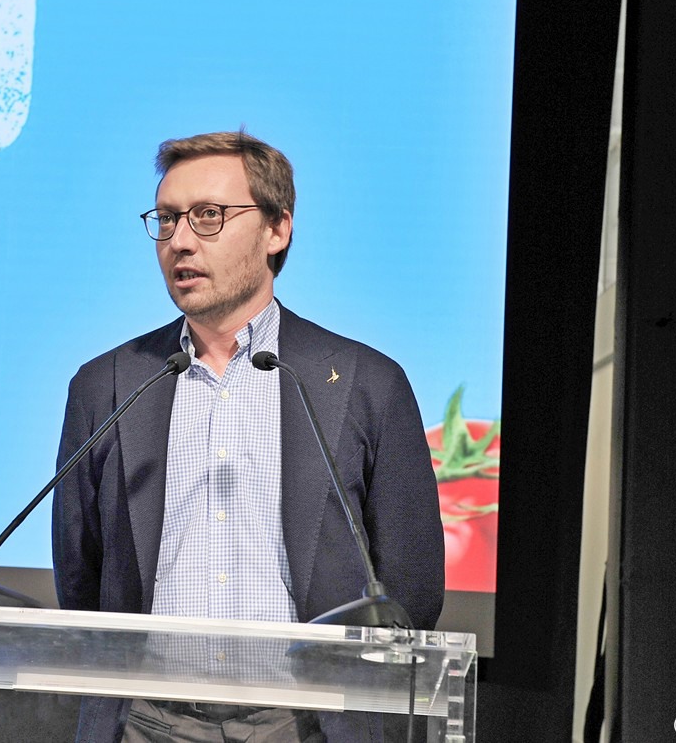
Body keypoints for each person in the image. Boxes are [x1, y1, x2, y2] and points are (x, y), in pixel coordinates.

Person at [51, 130, 444, 742]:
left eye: (208, 216)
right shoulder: (106, 385)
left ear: (277, 229)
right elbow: (81, 577)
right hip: (147, 722)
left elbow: (411, 586)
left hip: (308, 721)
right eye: (167, 218)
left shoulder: (365, 382)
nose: (180, 240)